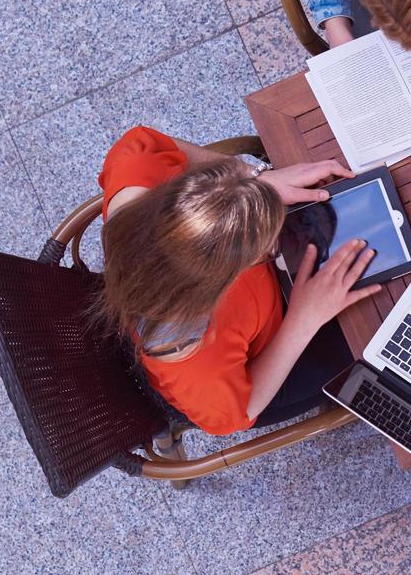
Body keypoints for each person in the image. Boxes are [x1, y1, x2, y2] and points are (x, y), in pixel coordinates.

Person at [94, 126, 379, 435]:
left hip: (252, 318)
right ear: (221, 285)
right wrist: (303, 320)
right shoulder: (198, 366)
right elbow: (236, 414)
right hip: (250, 376)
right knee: (368, 334)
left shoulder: (135, 179)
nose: (277, 243)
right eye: (267, 249)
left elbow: (141, 142)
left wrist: (254, 175)